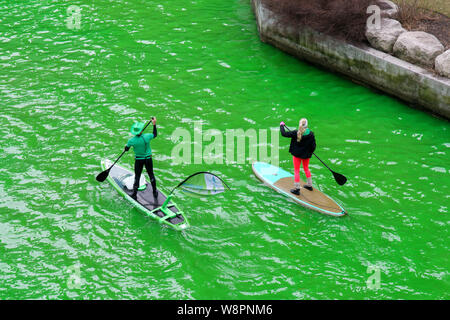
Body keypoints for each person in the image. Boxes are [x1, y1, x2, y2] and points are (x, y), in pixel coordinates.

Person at [280, 118, 316, 195]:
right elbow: (313, 146)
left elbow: (283, 133)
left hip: (297, 155)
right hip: (306, 156)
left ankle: (297, 189)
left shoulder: (295, 133)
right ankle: (309, 185)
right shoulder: (311, 134)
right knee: (306, 168)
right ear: (307, 125)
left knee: (297, 170)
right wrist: (310, 151)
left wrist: (282, 125)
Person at [124, 117, 158, 200]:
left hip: (139, 160)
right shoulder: (147, 136)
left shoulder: (131, 141)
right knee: (151, 174)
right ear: (141, 131)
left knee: (137, 177)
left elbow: (126, 149)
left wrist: (126, 148)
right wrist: (154, 124)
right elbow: (155, 134)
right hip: (148, 159)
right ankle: (154, 192)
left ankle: (134, 194)